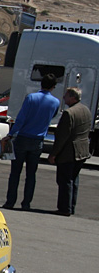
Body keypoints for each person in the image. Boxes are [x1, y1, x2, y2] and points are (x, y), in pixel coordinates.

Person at [3, 73, 61, 210]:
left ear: (41, 84)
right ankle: (26, 203)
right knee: (31, 174)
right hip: (38, 140)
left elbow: (21, 118)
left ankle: (10, 202)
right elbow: (53, 116)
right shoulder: (55, 102)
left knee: (15, 172)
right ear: (53, 87)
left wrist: (11, 134)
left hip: (23, 137)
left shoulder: (31, 98)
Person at [47, 87, 91, 216]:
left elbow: (62, 136)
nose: (64, 98)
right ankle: (71, 206)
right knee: (73, 179)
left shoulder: (69, 113)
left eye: (66, 95)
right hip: (82, 151)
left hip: (69, 152)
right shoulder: (86, 110)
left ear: (73, 97)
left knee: (65, 180)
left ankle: (64, 208)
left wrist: (54, 154)